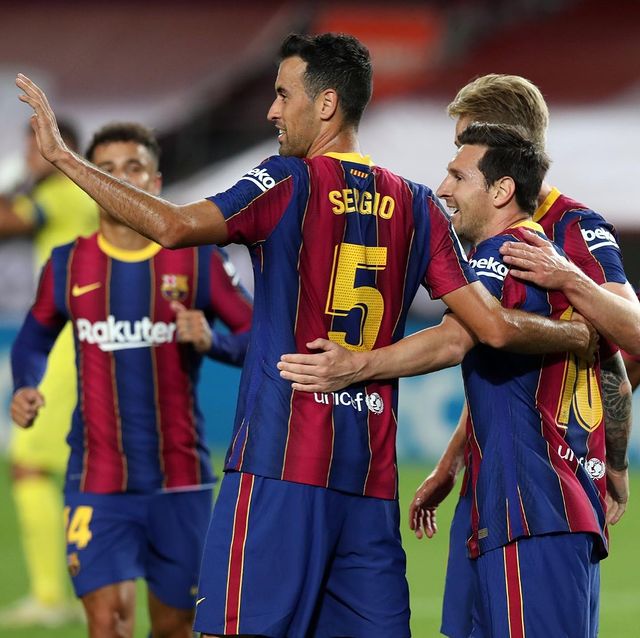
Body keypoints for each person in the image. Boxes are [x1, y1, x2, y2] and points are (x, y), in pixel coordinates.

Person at [16, 34, 596, 637]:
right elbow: (494, 330)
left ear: (325, 105)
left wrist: (64, 159)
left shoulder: (286, 181)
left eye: (282, 94)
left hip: (278, 470)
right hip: (369, 489)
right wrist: (576, 336)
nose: (271, 110)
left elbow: (172, 225)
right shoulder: (419, 204)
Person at [278, 73, 635, 637]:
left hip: (539, 494)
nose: (445, 181)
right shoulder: (497, 245)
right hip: (496, 489)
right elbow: (512, 360)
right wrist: (454, 460)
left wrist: (356, 365)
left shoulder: (568, 229)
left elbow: (622, 343)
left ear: (506, 168)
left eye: (462, 159)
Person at [10, 122, 252, 638]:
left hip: (180, 482)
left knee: (174, 626)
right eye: (107, 170)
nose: (120, 179)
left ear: (156, 182)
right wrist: (25, 385)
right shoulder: (69, 263)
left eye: (134, 168)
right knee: (109, 621)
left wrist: (215, 341)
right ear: (89, 181)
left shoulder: (195, 258)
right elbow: (33, 338)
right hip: (97, 482)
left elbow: (255, 335)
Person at [433, 121, 608, 637]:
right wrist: (613, 460)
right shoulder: (552, 260)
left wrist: (357, 366)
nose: (444, 189)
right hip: (554, 506)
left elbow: (455, 339)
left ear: (502, 188)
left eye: (456, 175)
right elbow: (616, 364)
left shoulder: (502, 253)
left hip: (529, 510)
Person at [0, 121, 98, 628]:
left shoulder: (60, 192)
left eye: (33, 147)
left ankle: (51, 596)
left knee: (31, 465)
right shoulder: (78, 192)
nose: (28, 156)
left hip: (64, 347)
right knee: (76, 468)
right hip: (79, 339)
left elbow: (7, 222)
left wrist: (20, 181)